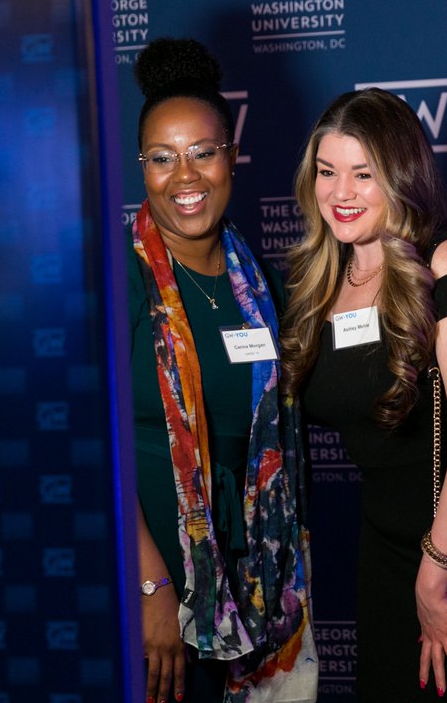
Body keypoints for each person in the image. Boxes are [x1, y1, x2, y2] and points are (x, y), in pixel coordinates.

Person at [281, 88, 447, 702]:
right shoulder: (321, 276)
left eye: (363, 174)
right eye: (327, 172)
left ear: (401, 175)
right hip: (386, 541)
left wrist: (436, 576)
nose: (340, 192)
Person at [128, 38, 316, 703]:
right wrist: (150, 588)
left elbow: (318, 365)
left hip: (245, 587)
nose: (184, 176)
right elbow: (87, 451)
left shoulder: (255, 282)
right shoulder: (121, 280)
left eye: (202, 152)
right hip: (149, 592)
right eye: (162, 158)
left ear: (230, 157)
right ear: (142, 168)